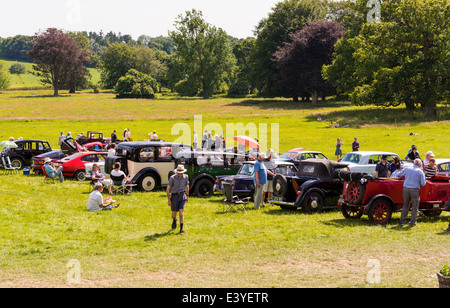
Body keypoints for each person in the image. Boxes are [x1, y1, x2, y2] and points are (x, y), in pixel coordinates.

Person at [397, 159, 426, 227]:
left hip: (406, 189)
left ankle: (402, 221)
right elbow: (423, 184)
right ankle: (412, 222)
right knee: (415, 207)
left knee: (405, 205)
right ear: (420, 165)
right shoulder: (420, 172)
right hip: (415, 190)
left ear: (413, 163)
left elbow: (399, 174)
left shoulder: (407, 168)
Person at [167, 165, 190, 235]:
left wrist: (187, 196)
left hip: (182, 196)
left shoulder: (186, 177)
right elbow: (168, 188)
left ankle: (181, 229)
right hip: (174, 196)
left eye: (182, 173)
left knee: (181, 213)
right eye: (179, 173)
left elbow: (187, 186)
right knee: (174, 214)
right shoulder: (172, 178)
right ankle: (174, 220)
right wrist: (169, 199)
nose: (180, 174)